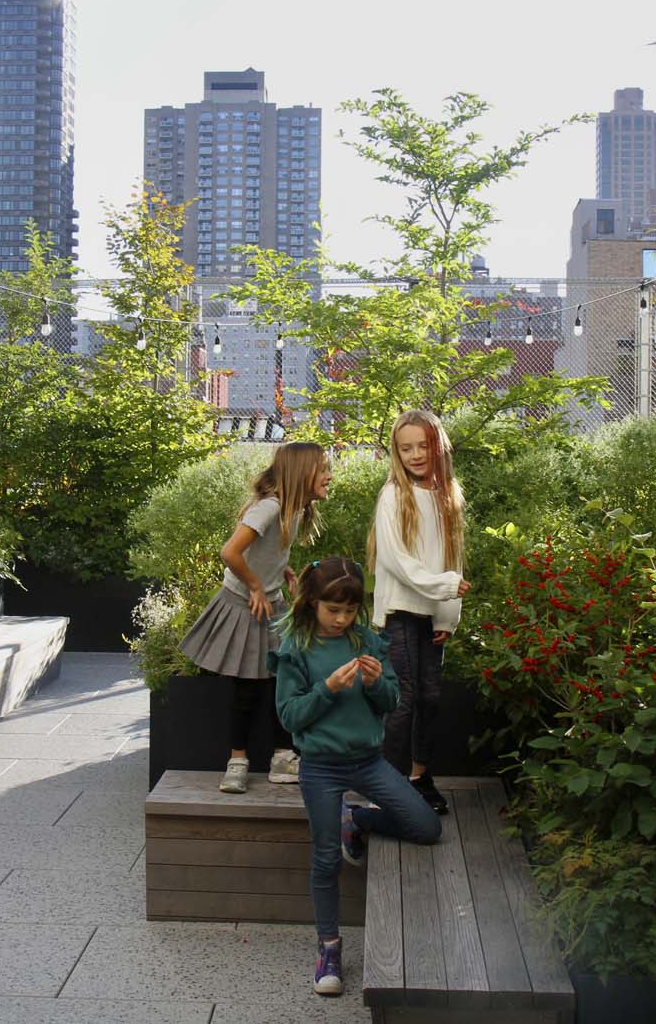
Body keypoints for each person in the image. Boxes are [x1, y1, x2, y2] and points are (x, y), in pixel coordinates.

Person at [273, 557, 442, 997]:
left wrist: (373, 684)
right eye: (333, 610)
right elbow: (290, 716)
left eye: (349, 610)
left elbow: (391, 701)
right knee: (326, 858)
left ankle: (360, 820)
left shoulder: (366, 639)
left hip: (368, 760)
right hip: (320, 767)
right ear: (312, 602)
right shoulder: (296, 646)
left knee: (427, 827)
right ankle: (328, 948)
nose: (342, 619)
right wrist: (326, 690)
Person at [179, 441, 332, 793]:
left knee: (284, 682)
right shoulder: (269, 508)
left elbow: (264, 553)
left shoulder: (294, 510)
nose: (329, 476)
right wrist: (256, 587)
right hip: (246, 605)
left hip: (271, 602)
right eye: (323, 469)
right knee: (247, 688)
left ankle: (282, 758)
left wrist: (283, 573)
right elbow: (230, 552)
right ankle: (237, 762)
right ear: (301, 474)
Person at [367, 409, 470, 815]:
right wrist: (442, 587)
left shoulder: (448, 496)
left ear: (437, 445)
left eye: (422, 445)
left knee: (429, 698)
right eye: (405, 447)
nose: (414, 454)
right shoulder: (394, 495)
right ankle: (387, 786)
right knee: (404, 699)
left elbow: (452, 559)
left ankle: (418, 777)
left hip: (432, 613)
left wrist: (447, 614)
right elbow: (394, 560)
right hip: (400, 612)